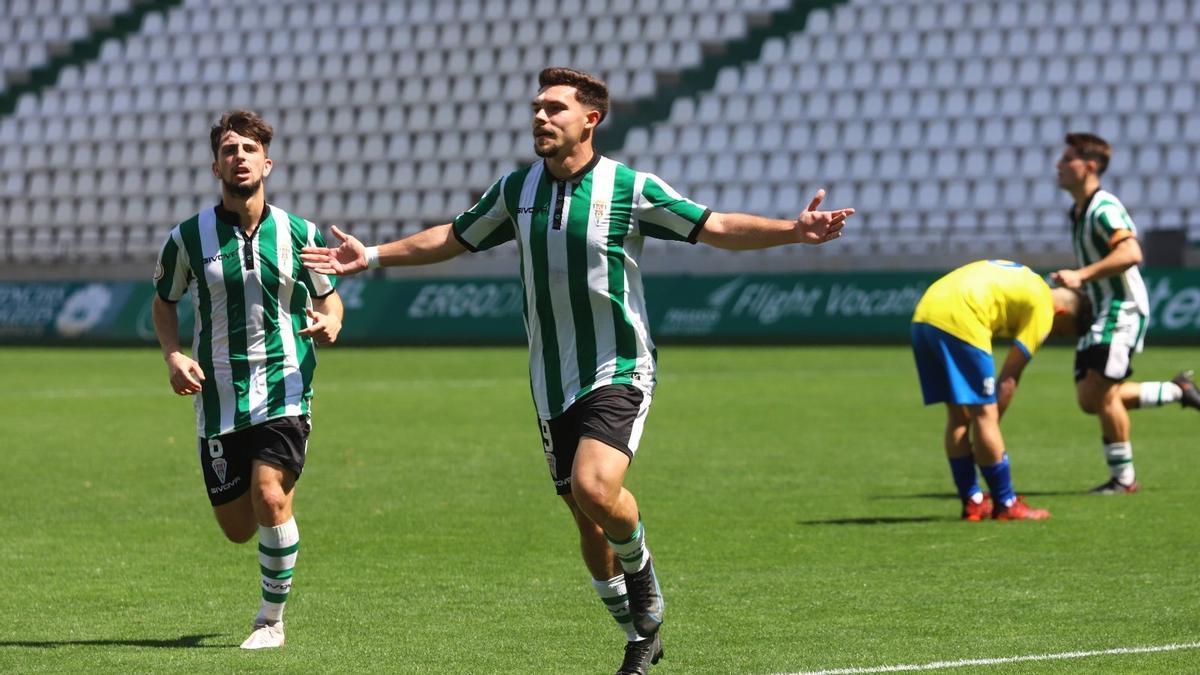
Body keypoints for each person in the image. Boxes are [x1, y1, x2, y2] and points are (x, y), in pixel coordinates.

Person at [302, 67, 852, 675]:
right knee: (589, 526)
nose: (540, 117)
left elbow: (715, 226)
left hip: (619, 365)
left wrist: (792, 231)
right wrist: (373, 255)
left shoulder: (630, 188)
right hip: (549, 379)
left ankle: (645, 585)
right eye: (536, 107)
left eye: (554, 109)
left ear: (590, 119)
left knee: (596, 488)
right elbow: (454, 237)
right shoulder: (517, 190)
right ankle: (641, 636)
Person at [151, 109, 344, 650]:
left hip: (285, 386)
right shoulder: (188, 238)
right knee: (237, 527)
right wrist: (173, 355)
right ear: (216, 166)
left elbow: (330, 300)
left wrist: (329, 323)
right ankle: (276, 535)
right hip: (216, 398)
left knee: (268, 494)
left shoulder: (299, 232)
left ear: (267, 162)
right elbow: (163, 304)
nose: (239, 157)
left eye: (248, 149)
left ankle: (270, 620)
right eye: (229, 150)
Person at [1051, 133, 1200, 495]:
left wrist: (1081, 276)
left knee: (1101, 394)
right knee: (1090, 399)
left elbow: (1132, 253)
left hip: (1122, 310)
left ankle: (1124, 479)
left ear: (1089, 166)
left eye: (1067, 158)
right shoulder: (1077, 210)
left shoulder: (1103, 208)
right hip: (1099, 310)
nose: (1059, 164)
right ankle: (1177, 390)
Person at [912, 260, 1089, 521]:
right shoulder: (1044, 309)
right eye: (1061, 333)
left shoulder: (1028, 279)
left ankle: (972, 501)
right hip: (962, 317)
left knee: (958, 415)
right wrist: (988, 426)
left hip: (924, 316)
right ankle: (1006, 503)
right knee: (984, 415)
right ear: (1061, 314)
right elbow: (1008, 378)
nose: (1053, 336)